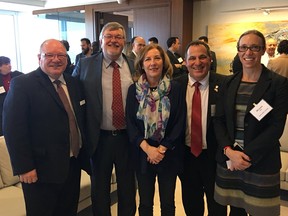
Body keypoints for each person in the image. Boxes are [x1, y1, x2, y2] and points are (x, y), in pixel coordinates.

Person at [3, 39, 89, 216]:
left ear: (67, 59)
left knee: (68, 211)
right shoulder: (23, 84)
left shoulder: (74, 84)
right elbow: (13, 129)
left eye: (61, 55)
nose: (56, 59)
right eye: (49, 55)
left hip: (72, 165)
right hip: (40, 171)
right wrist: (24, 167)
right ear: (39, 58)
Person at [214, 30, 288, 216]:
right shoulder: (228, 83)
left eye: (255, 47)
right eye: (244, 47)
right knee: (236, 211)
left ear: (263, 50)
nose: (249, 52)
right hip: (230, 160)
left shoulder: (278, 83)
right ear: (238, 51)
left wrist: (245, 156)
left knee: (262, 212)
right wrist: (229, 151)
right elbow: (219, 120)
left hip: (261, 161)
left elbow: (276, 127)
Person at [73, 22, 136, 216]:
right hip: (99, 138)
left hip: (129, 138)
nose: (113, 40)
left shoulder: (136, 65)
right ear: (101, 41)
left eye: (118, 36)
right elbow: (73, 95)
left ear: (124, 41)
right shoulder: (85, 65)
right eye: (109, 36)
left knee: (127, 188)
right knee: (99, 190)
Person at [126, 43, 186, 216]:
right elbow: (130, 124)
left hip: (168, 153)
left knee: (168, 203)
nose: (153, 63)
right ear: (142, 64)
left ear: (164, 62)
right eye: (148, 59)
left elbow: (179, 122)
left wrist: (161, 149)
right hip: (143, 153)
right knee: (145, 204)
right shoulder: (133, 90)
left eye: (157, 58)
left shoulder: (175, 89)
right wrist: (148, 149)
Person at [176, 41, 227, 216]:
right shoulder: (175, 86)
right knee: (192, 205)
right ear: (186, 62)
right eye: (192, 58)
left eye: (202, 57)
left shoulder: (225, 84)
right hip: (187, 157)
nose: (197, 62)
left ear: (210, 59)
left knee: (218, 207)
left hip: (215, 157)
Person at [0, 56, 23, 136]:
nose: (9, 65)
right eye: (6, 64)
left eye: (9, 63)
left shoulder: (17, 75)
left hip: (18, 110)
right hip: (2, 113)